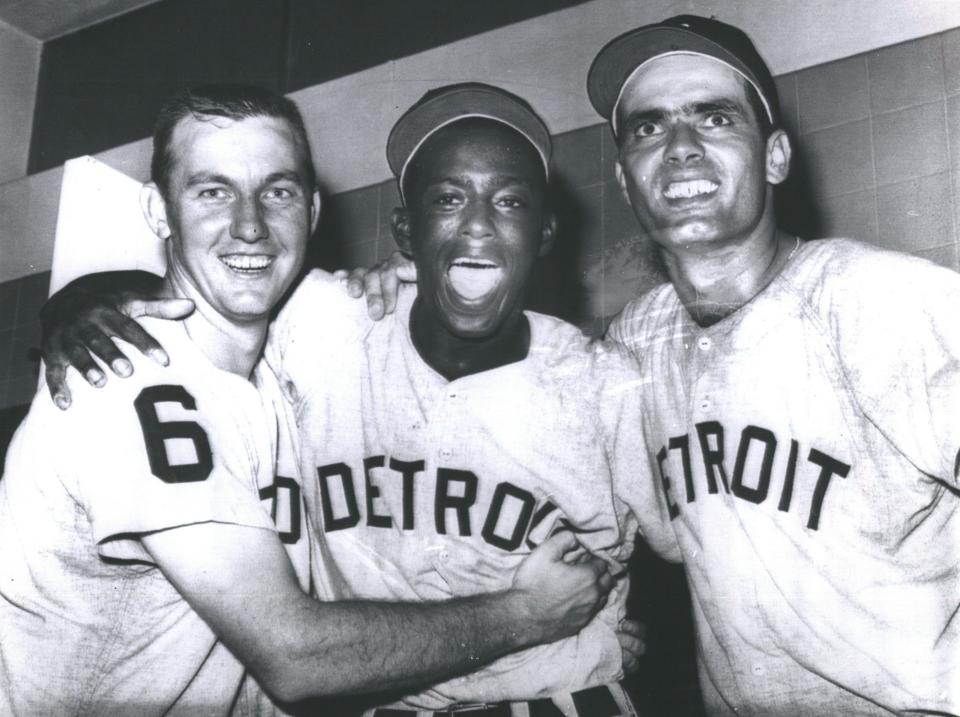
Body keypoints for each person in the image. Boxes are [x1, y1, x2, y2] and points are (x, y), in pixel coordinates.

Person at [34, 83, 660, 716]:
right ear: (405, 231)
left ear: (546, 229)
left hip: (552, 697)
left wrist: (625, 630)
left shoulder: (605, 382)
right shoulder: (324, 321)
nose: (476, 223)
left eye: (510, 201)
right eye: (446, 199)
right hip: (362, 693)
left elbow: (706, 534)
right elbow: (209, 289)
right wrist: (83, 301)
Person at [586, 14, 960, 716]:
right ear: (624, 179)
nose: (681, 148)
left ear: (776, 156)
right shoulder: (637, 340)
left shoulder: (883, 303)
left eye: (716, 117)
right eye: (648, 127)